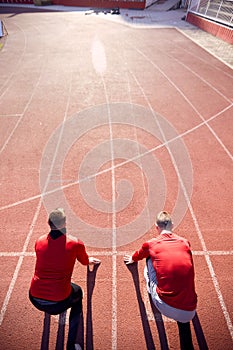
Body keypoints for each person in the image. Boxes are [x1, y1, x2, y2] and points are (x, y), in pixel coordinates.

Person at [124, 211, 197, 349]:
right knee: (184, 324)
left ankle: (151, 289)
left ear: (156, 227)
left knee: (149, 260)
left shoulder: (152, 243)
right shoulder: (185, 243)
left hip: (165, 305)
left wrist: (132, 259)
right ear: (172, 225)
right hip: (190, 310)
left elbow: (138, 255)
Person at [29, 208, 100, 350]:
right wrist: (89, 261)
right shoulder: (75, 243)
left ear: (48, 223)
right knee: (78, 293)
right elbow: (85, 261)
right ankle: (70, 345)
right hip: (59, 301)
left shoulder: (39, 241)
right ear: (64, 223)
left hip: (34, 297)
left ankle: (47, 314)